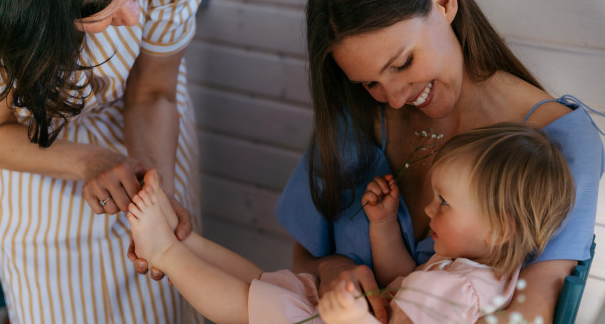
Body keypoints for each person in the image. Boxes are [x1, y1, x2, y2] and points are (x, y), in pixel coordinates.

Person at [276, 0, 604, 322]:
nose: (394, 99)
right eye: (370, 83)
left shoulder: (563, 143)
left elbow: (533, 314)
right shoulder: (354, 119)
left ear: (444, 1)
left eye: (403, 63)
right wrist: (331, 268)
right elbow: (306, 253)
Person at [127, 123, 575, 324]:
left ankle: (165, 252)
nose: (428, 211)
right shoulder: (467, 271)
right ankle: (183, 241)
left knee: (246, 303)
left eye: (444, 203)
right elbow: (400, 281)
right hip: (342, 308)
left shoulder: (465, 290)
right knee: (263, 282)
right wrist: (382, 226)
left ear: (499, 228)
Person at [0, 0, 202, 323]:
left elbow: (154, 91)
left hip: (150, 134)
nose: (134, 18)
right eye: (114, 8)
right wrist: (88, 161)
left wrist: (155, 186)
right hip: (33, 153)